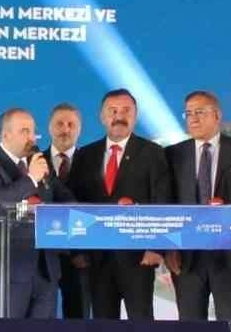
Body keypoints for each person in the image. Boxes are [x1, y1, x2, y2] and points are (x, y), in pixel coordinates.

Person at [67, 89, 172, 319]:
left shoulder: (152, 153)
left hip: (139, 257)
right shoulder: (85, 155)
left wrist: (156, 247)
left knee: (141, 324)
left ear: (136, 115)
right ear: (102, 116)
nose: (119, 116)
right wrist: (77, 249)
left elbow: (162, 199)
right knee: (103, 326)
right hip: (96, 257)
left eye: (126, 110)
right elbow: (75, 202)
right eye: (113, 111)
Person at [164, 90, 231, 324]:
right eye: (188, 113)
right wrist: (168, 248)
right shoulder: (173, 154)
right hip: (187, 256)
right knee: (190, 327)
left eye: (199, 112)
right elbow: (167, 203)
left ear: (217, 115)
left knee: (230, 326)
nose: (193, 118)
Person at [0, 108, 74, 318]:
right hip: (6, 271)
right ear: (5, 134)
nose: (32, 138)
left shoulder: (40, 163)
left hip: (45, 270)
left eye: (33, 131)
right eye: (24, 131)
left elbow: (66, 198)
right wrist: (31, 179)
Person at [44, 103, 90, 318]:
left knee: (78, 318)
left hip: (80, 259)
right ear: (49, 127)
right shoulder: (32, 162)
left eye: (71, 124)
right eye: (60, 124)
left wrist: (81, 252)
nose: (65, 129)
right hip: (41, 257)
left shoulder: (93, 162)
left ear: (79, 129)